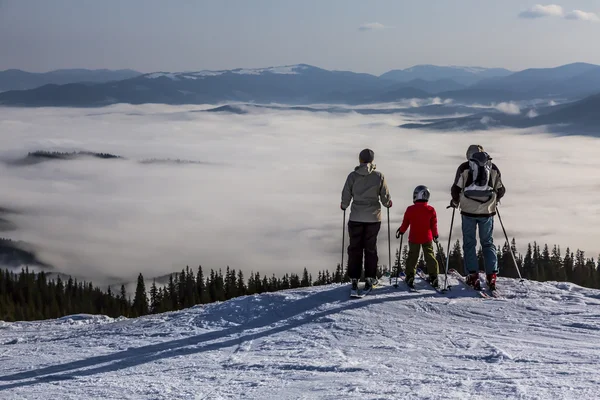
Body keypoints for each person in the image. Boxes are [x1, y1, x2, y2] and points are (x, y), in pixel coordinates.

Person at [449, 145, 505, 290]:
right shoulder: (492, 167)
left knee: (469, 243)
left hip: (468, 211)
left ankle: (472, 276)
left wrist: (456, 201)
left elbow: (456, 188)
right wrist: (494, 200)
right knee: (487, 242)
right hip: (487, 211)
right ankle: (492, 276)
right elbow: (501, 189)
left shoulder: (464, 167)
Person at [341, 148, 392, 293]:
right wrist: (388, 203)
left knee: (355, 248)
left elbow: (346, 194)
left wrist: (344, 205)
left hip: (356, 217)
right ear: (372, 161)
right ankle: (370, 277)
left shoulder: (352, 176)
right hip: (373, 218)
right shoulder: (379, 176)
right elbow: (385, 198)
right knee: (370, 248)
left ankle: (354, 278)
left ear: (360, 160)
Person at [395, 185, 439, 289]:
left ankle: (410, 276)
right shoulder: (430, 210)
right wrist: (435, 235)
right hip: (427, 237)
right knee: (430, 256)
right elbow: (434, 225)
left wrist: (401, 231)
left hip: (414, 238)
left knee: (412, 257)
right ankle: (434, 276)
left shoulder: (410, 209)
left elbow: (405, 223)